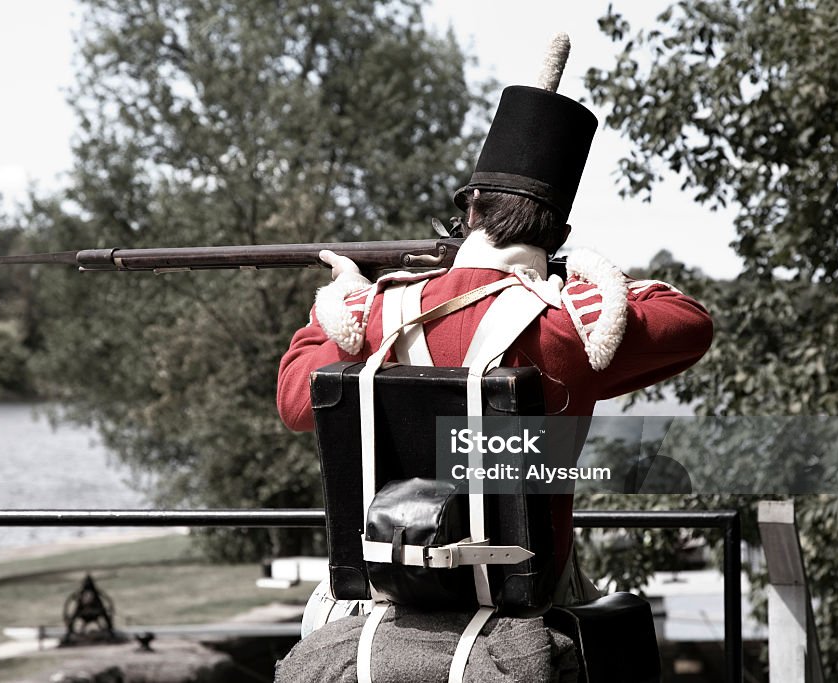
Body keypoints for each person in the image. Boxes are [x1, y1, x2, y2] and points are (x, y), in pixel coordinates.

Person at [276, 84, 714, 600]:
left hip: (395, 581)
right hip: (529, 589)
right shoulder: (572, 322)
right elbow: (690, 322)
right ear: (559, 231)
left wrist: (342, 297)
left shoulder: (378, 311)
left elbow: (296, 402)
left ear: (473, 209)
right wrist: (575, 273)